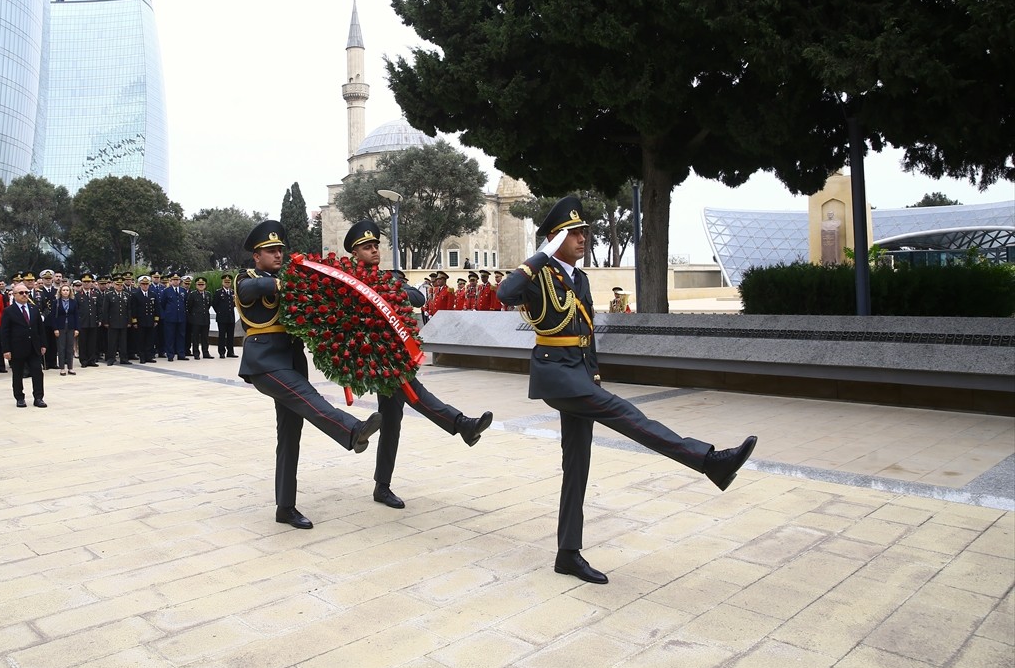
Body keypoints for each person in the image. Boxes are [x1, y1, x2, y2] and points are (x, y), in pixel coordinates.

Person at [497, 195, 757, 585]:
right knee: (631, 417)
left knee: (577, 466)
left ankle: (567, 554)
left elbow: (587, 337)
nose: (584, 238)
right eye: (574, 233)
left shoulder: (578, 278)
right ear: (554, 239)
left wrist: (595, 376)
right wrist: (541, 255)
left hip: (580, 376)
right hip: (557, 376)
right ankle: (708, 461)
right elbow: (505, 293)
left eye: (585, 231)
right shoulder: (539, 277)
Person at [236, 220, 382, 529]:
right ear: (256, 257)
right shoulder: (246, 278)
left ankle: (285, 507)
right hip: (264, 361)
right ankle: (352, 430)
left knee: (290, 436)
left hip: (291, 359)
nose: (278, 255)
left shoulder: (290, 279)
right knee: (309, 398)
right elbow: (253, 289)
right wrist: (287, 281)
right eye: (271, 251)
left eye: (280, 250)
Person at [344, 220, 493, 509]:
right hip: (376, 359)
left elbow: (417, 296)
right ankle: (463, 425)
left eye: (376, 245)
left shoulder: (389, 278)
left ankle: (382, 486)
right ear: (354, 254)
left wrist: (387, 292)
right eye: (367, 247)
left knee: (391, 422)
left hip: (395, 355)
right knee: (415, 395)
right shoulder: (349, 282)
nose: (374, 250)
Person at [0, 282, 47, 408]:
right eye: (21, 293)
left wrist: (43, 344)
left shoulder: (34, 308)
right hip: (17, 347)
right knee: (18, 374)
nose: (24, 295)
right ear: (14, 295)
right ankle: (19, 397)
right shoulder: (8, 311)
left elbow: (40, 329)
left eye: (26, 292)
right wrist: (6, 349)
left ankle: (38, 397)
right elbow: (4, 332)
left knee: (37, 372)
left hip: (34, 346)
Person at [102, 274, 133, 365]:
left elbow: (129, 309)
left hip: (123, 322)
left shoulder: (126, 295)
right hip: (113, 322)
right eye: (117, 284)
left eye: (121, 285)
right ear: (114, 285)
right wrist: (106, 321)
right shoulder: (109, 295)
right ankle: (111, 358)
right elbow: (105, 310)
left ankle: (124, 358)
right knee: (112, 341)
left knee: (123, 342)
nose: (119, 286)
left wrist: (129, 321)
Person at [51, 283, 79, 375]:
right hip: (61, 327)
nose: (65, 292)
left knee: (70, 348)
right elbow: (54, 316)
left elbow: (76, 316)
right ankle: (62, 368)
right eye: (64, 290)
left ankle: (70, 367)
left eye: (67, 290)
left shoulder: (73, 302)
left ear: (70, 292)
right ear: (60, 292)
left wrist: (76, 329)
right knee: (61, 347)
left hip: (71, 326)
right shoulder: (57, 302)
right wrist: (55, 329)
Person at [130, 275, 159, 364]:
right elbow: (133, 309)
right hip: (140, 321)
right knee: (141, 340)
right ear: (140, 285)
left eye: (146, 284)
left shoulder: (153, 294)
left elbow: (156, 308)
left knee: (150, 340)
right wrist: (134, 321)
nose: (145, 286)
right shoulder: (135, 295)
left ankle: (148, 356)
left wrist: (156, 320)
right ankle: (142, 357)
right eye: (143, 284)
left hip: (150, 320)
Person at [160, 272, 189, 361]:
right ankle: (170, 354)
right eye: (174, 280)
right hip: (170, 317)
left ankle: (181, 354)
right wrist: (166, 315)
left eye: (177, 280)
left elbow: (185, 303)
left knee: (181, 336)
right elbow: (163, 304)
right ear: (171, 281)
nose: (176, 281)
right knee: (170, 336)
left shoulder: (183, 291)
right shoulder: (166, 291)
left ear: (180, 281)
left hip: (181, 317)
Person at [76, 273, 103, 367]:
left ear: (92, 282)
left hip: (93, 322)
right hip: (82, 322)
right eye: (85, 282)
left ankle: (92, 360)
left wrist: (99, 319)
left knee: (92, 342)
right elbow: (76, 310)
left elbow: (99, 308)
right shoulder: (78, 295)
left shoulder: (96, 294)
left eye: (89, 282)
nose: (87, 284)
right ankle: (83, 360)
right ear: (82, 282)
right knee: (83, 342)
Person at [187, 276, 214, 359]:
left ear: (205, 285)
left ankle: (205, 353)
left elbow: (208, 305)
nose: (201, 286)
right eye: (199, 284)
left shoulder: (208, 294)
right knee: (195, 337)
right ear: (196, 285)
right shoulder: (192, 294)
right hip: (196, 320)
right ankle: (196, 353)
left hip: (205, 319)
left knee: (205, 337)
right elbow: (189, 307)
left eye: (202, 284)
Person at [213, 274, 237, 358]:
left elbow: (234, 304)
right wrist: (219, 312)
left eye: (228, 282)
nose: (227, 283)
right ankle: (222, 352)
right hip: (222, 318)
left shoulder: (233, 292)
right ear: (222, 282)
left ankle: (230, 352)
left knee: (230, 335)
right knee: (222, 335)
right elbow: (215, 304)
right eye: (225, 282)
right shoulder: (219, 292)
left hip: (231, 317)